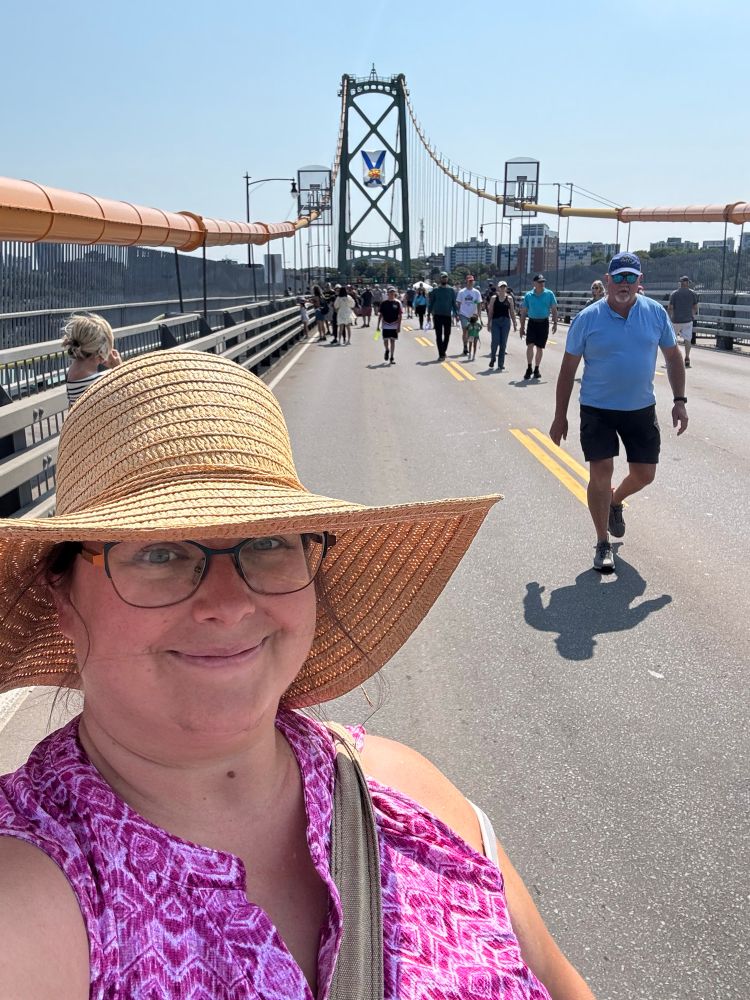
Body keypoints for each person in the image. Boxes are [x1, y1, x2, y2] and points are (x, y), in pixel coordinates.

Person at [0, 351, 595, 999]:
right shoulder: (30, 888)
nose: (228, 604)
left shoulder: (411, 799)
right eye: (160, 552)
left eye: (268, 543)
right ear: (62, 596)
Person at [550, 252, 688, 573]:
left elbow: (673, 357)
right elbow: (568, 371)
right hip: (597, 409)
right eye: (619, 278)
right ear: (607, 281)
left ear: (640, 282)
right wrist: (560, 415)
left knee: (645, 474)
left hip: (640, 408)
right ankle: (602, 542)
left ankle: (615, 501)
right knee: (600, 473)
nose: (624, 284)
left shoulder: (654, 314)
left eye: (631, 278)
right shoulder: (587, 319)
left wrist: (679, 400)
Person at [61, 312, 122, 406]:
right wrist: (119, 369)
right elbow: (128, 398)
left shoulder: (71, 373)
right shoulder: (100, 383)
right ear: (102, 351)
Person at [519, 274, 558, 380]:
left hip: (544, 323)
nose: (542, 284)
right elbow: (523, 312)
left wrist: (555, 323)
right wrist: (521, 327)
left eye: (543, 282)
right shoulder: (528, 295)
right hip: (532, 323)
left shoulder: (549, 294)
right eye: (540, 282)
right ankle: (529, 367)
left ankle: (536, 368)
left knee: (540, 347)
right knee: (530, 345)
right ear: (534, 283)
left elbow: (554, 309)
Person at [668, 275, 699, 369]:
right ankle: (687, 357)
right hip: (687, 320)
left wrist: (670, 316)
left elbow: (670, 308)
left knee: (673, 339)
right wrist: (692, 315)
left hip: (676, 320)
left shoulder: (674, 294)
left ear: (680, 283)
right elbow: (695, 307)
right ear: (688, 283)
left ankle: (673, 358)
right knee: (688, 339)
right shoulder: (693, 293)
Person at [486, 280, 518, 371]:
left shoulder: (509, 298)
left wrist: (515, 323)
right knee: (495, 342)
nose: (503, 288)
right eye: (501, 287)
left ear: (506, 288)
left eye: (504, 287)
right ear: (498, 288)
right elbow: (491, 311)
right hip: (495, 321)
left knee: (503, 343)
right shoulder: (493, 298)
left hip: (505, 322)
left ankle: (501, 364)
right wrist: (489, 323)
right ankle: (493, 358)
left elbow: (512, 311)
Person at [427, 272, 459, 360]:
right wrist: (428, 314)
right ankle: (441, 354)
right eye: (442, 277)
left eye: (445, 277)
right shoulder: (435, 290)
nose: (444, 279)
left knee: (447, 334)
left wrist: (456, 314)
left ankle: (443, 351)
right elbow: (431, 303)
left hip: (447, 315)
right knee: (438, 335)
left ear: (447, 278)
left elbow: (453, 303)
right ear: (440, 279)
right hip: (437, 315)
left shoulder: (451, 290)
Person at [456, 275, 483, 356]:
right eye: (469, 281)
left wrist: (479, 314)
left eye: (472, 281)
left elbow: (479, 303)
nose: (471, 282)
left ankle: (469, 345)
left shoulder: (476, 292)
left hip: (473, 316)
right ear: (466, 281)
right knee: (465, 330)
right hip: (463, 314)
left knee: (471, 332)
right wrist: (458, 314)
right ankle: (465, 347)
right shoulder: (461, 292)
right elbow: (458, 303)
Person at [378, 286, 403, 364]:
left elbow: (400, 315)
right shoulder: (384, 303)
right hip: (385, 324)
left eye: (393, 292)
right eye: (390, 292)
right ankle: (387, 350)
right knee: (385, 340)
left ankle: (392, 357)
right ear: (387, 293)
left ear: (395, 293)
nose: (392, 294)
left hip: (394, 324)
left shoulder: (398, 303)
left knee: (393, 341)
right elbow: (380, 314)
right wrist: (378, 326)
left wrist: (399, 326)